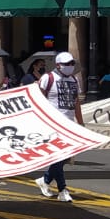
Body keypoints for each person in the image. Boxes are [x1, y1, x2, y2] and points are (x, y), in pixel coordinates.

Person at [34, 52, 83, 203]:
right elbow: (38, 100)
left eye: (72, 64)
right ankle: (62, 189)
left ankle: (46, 180)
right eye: (67, 64)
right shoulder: (48, 79)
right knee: (59, 156)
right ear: (58, 65)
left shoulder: (74, 80)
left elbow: (76, 102)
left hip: (68, 124)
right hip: (52, 124)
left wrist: (80, 122)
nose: (70, 67)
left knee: (64, 158)